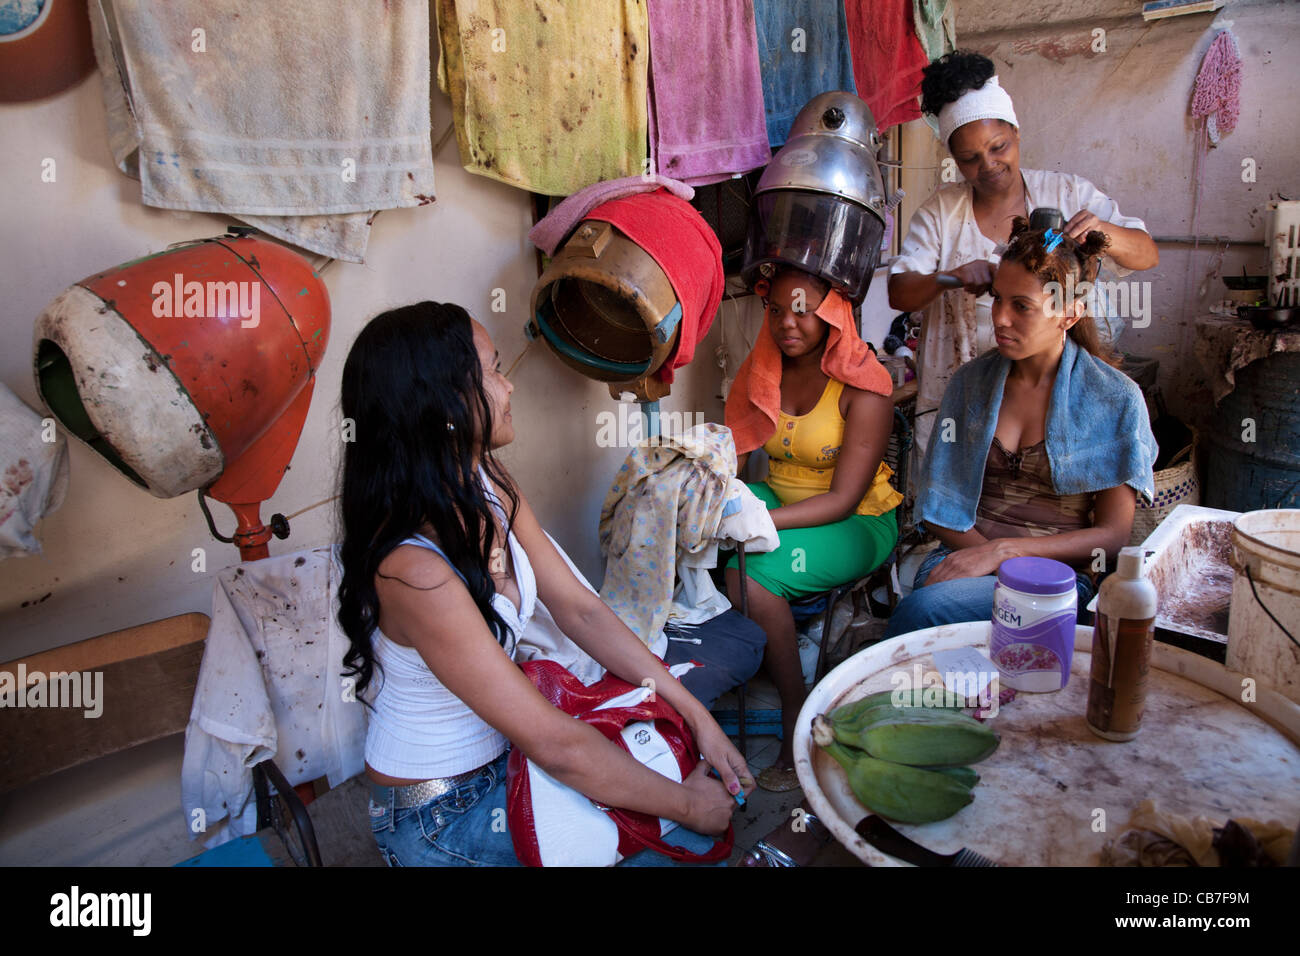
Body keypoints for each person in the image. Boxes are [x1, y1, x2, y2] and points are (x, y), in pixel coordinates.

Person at [337, 302, 754, 867]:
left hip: (506, 759)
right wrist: (687, 805)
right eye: (494, 370)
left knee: (670, 762)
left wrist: (694, 715)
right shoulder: (415, 574)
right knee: (684, 841)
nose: (509, 387)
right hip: (442, 816)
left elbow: (580, 611)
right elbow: (555, 745)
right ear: (445, 404)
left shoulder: (486, 483)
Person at [882, 219, 1158, 639]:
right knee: (933, 612)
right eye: (997, 300)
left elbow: (1112, 536)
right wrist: (983, 556)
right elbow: (938, 507)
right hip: (962, 556)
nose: (1001, 319)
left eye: (1021, 306)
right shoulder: (970, 383)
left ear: (1069, 314)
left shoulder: (1114, 399)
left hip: (1059, 578)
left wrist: (1005, 553)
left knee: (922, 614)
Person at [888, 50, 1158, 466]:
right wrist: (951, 278)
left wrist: (1105, 234)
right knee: (961, 492)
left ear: (1017, 132)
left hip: (1053, 392)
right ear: (953, 160)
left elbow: (1146, 253)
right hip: (959, 389)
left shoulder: (1067, 194)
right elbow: (900, 292)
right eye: (969, 159)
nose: (989, 165)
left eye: (999, 147)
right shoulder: (941, 213)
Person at [723, 267, 900, 790]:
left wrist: (756, 519)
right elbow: (730, 458)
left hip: (858, 519)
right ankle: (716, 678)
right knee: (692, 530)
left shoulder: (864, 387)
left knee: (749, 575)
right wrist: (710, 501)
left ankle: (794, 714)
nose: (787, 323)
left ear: (832, 315)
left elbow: (843, 500)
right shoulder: (763, 371)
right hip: (781, 497)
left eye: (803, 309)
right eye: (775, 309)